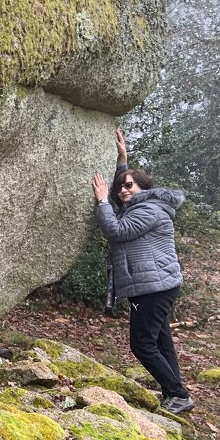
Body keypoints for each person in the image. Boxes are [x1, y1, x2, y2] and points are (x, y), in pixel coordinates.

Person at [91, 129, 193, 415]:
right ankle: (174, 392)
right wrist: (122, 159)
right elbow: (121, 193)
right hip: (154, 285)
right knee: (161, 340)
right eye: (122, 186)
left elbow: (116, 230)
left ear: (144, 189)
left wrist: (101, 202)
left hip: (152, 288)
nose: (123, 190)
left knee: (142, 344)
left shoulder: (149, 210)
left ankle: (178, 394)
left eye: (130, 186)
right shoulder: (142, 204)